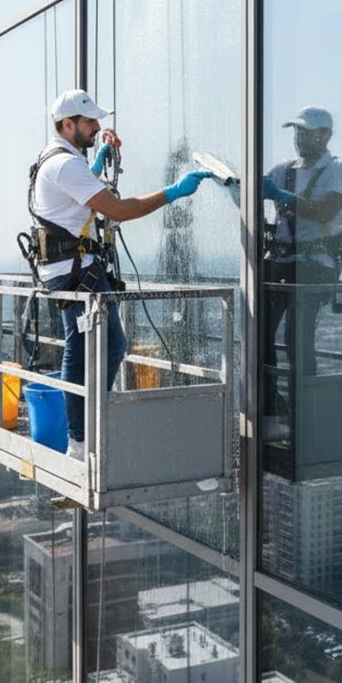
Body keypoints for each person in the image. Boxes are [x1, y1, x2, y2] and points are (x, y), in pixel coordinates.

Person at [28, 89, 214, 461]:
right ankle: (81, 438)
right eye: (90, 122)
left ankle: (86, 428)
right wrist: (173, 192)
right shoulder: (65, 164)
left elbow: (77, 195)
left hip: (70, 270)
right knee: (92, 350)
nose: (97, 127)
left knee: (94, 349)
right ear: (69, 124)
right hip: (76, 273)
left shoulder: (58, 160)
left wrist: (98, 161)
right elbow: (119, 209)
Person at [261, 107, 342, 436]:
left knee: (296, 340)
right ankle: (272, 413)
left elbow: (326, 210)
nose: (300, 137)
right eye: (297, 131)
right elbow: (251, 197)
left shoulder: (341, 170)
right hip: (283, 259)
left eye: (307, 131)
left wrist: (279, 195)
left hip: (316, 264)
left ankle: (304, 420)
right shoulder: (282, 170)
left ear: (326, 135)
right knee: (260, 336)